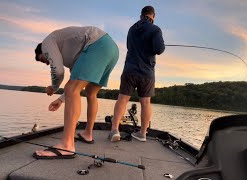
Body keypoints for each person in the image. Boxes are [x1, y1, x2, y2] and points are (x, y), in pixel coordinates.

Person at [33, 26, 119, 158]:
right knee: (90, 92)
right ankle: (88, 134)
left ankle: (67, 145)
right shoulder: (74, 57)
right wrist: (61, 100)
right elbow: (75, 86)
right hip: (111, 50)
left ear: (41, 51)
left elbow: (58, 72)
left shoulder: (47, 43)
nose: (45, 63)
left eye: (42, 59)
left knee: (72, 88)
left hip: (96, 44)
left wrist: (53, 87)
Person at [108, 6, 165, 142]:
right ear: (153, 16)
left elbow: (129, 46)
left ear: (141, 15)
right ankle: (142, 133)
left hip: (130, 69)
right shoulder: (156, 29)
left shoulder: (132, 29)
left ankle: (115, 130)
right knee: (145, 102)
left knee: (122, 99)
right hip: (147, 72)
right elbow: (159, 49)